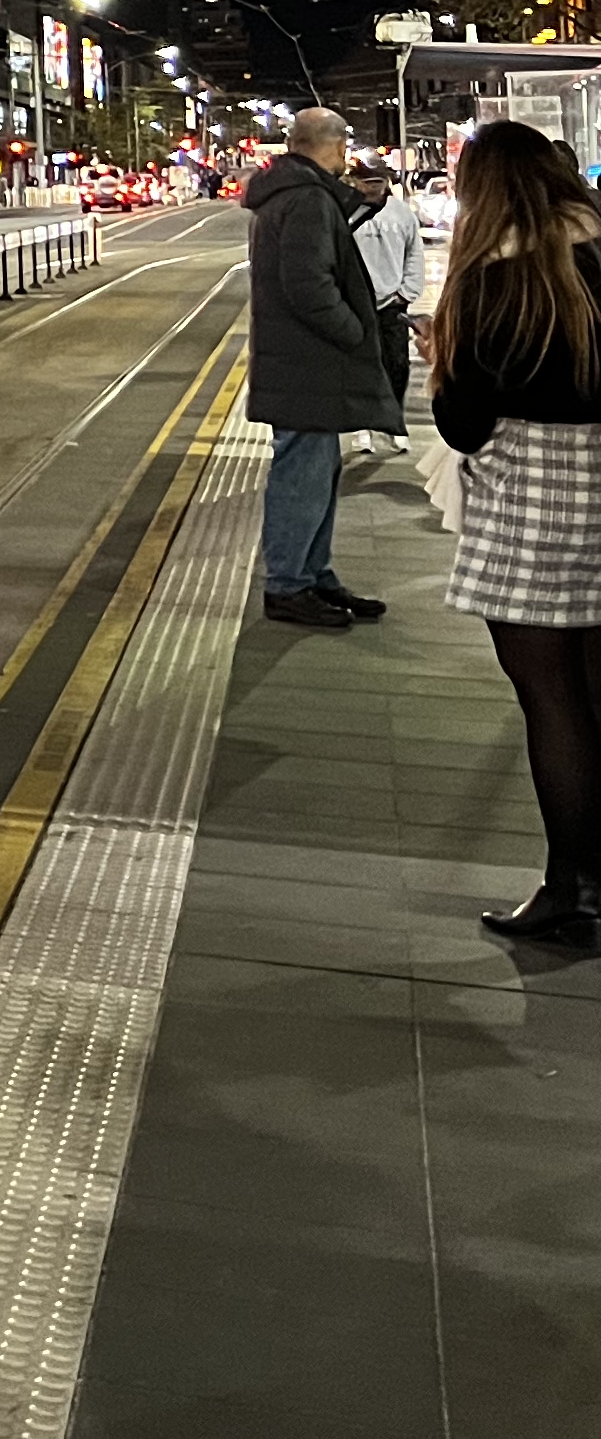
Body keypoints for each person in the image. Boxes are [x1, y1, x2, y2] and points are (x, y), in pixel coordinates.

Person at [426, 114, 601, 950]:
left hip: (534, 505)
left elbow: (461, 426)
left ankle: (575, 891)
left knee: (552, 700)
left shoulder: (489, 282)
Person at [241, 106, 399, 630]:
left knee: (316, 470)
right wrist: (355, 331)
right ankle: (289, 584)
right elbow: (309, 285)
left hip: (300, 360)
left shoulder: (295, 194)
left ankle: (312, 573)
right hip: (306, 361)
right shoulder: (306, 198)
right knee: (302, 472)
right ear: (330, 144)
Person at [353, 156, 426, 455]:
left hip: (392, 304)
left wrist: (406, 293)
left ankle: (392, 422)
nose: (373, 188)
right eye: (367, 182)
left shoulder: (402, 214)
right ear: (356, 182)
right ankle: (362, 426)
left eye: (378, 181)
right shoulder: (346, 213)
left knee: (397, 365)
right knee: (361, 365)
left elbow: (414, 254)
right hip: (356, 304)